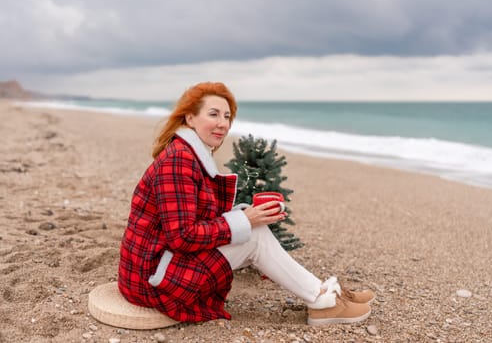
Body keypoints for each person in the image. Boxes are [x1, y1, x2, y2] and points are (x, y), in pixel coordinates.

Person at [118, 82, 374, 326]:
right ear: (190, 118)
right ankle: (323, 301)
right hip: (153, 281)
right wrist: (245, 221)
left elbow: (196, 220)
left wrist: (249, 215)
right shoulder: (179, 161)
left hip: (159, 264)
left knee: (254, 231)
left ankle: (323, 295)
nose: (222, 124)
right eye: (214, 114)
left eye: (227, 116)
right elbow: (182, 236)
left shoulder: (188, 153)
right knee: (254, 237)